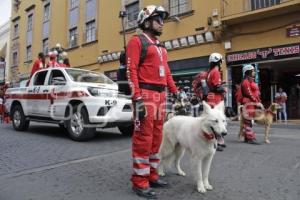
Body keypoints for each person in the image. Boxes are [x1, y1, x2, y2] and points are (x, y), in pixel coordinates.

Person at [126, 5, 178, 199]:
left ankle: (152, 176)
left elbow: (168, 73)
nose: (162, 23)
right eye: (158, 19)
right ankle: (139, 182)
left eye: (163, 20)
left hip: (160, 96)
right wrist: (137, 98)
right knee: (143, 139)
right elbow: (131, 71)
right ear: (146, 21)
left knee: (157, 138)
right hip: (145, 95)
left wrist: (176, 92)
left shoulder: (161, 47)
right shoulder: (136, 41)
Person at [206, 52, 227, 151]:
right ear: (218, 61)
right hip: (216, 99)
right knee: (217, 121)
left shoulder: (210, 72)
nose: (221, 62)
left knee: (214, 120)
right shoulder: (216, 72)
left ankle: (218, 140)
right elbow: (216, 87)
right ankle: (217, 141)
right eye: (221, 60)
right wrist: (223, 88)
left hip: (211, 98)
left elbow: (213, 85)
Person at [240, 64, 261, 144]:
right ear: (248, 72)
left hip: (249, 103)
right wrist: (256, 101)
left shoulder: (248, 81)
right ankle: (250, 138)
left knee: (247, 121)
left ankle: (246, 137)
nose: (254, 72)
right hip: (248, 103)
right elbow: (249, 93)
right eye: (252, 71)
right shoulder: (245, 82)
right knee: (248, 121)